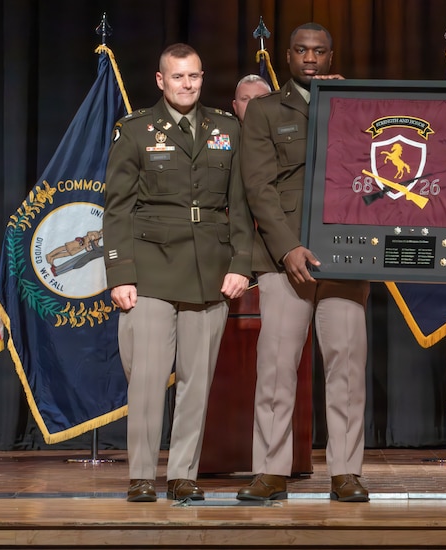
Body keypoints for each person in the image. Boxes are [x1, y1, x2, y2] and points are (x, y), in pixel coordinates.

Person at [103, 43, 254, 502]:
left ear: (202, 78)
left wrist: (241, 264)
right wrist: (120, 275)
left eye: (194, 76)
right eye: (178, 76)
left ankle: (183, 474)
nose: (187, 84)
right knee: (147, 380)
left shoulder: (226, 129)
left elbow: (242, 206)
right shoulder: (135, 130)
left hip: (210, 269)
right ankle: (142, 476)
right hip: (150, 270)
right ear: (160, 80)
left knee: (197, 382)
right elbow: (116, 209)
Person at [237, 22, 370, 503]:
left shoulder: (358, 107)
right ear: (286, 56)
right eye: (300, 50)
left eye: (319, 51)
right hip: (284, 259)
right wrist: (287, 246)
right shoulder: (266, 111)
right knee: (276, 368)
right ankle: (270, 470)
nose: (310, 58)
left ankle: (346, 472)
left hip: (348, 255)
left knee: (348, 368)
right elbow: (259, 187)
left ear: (331, 58)